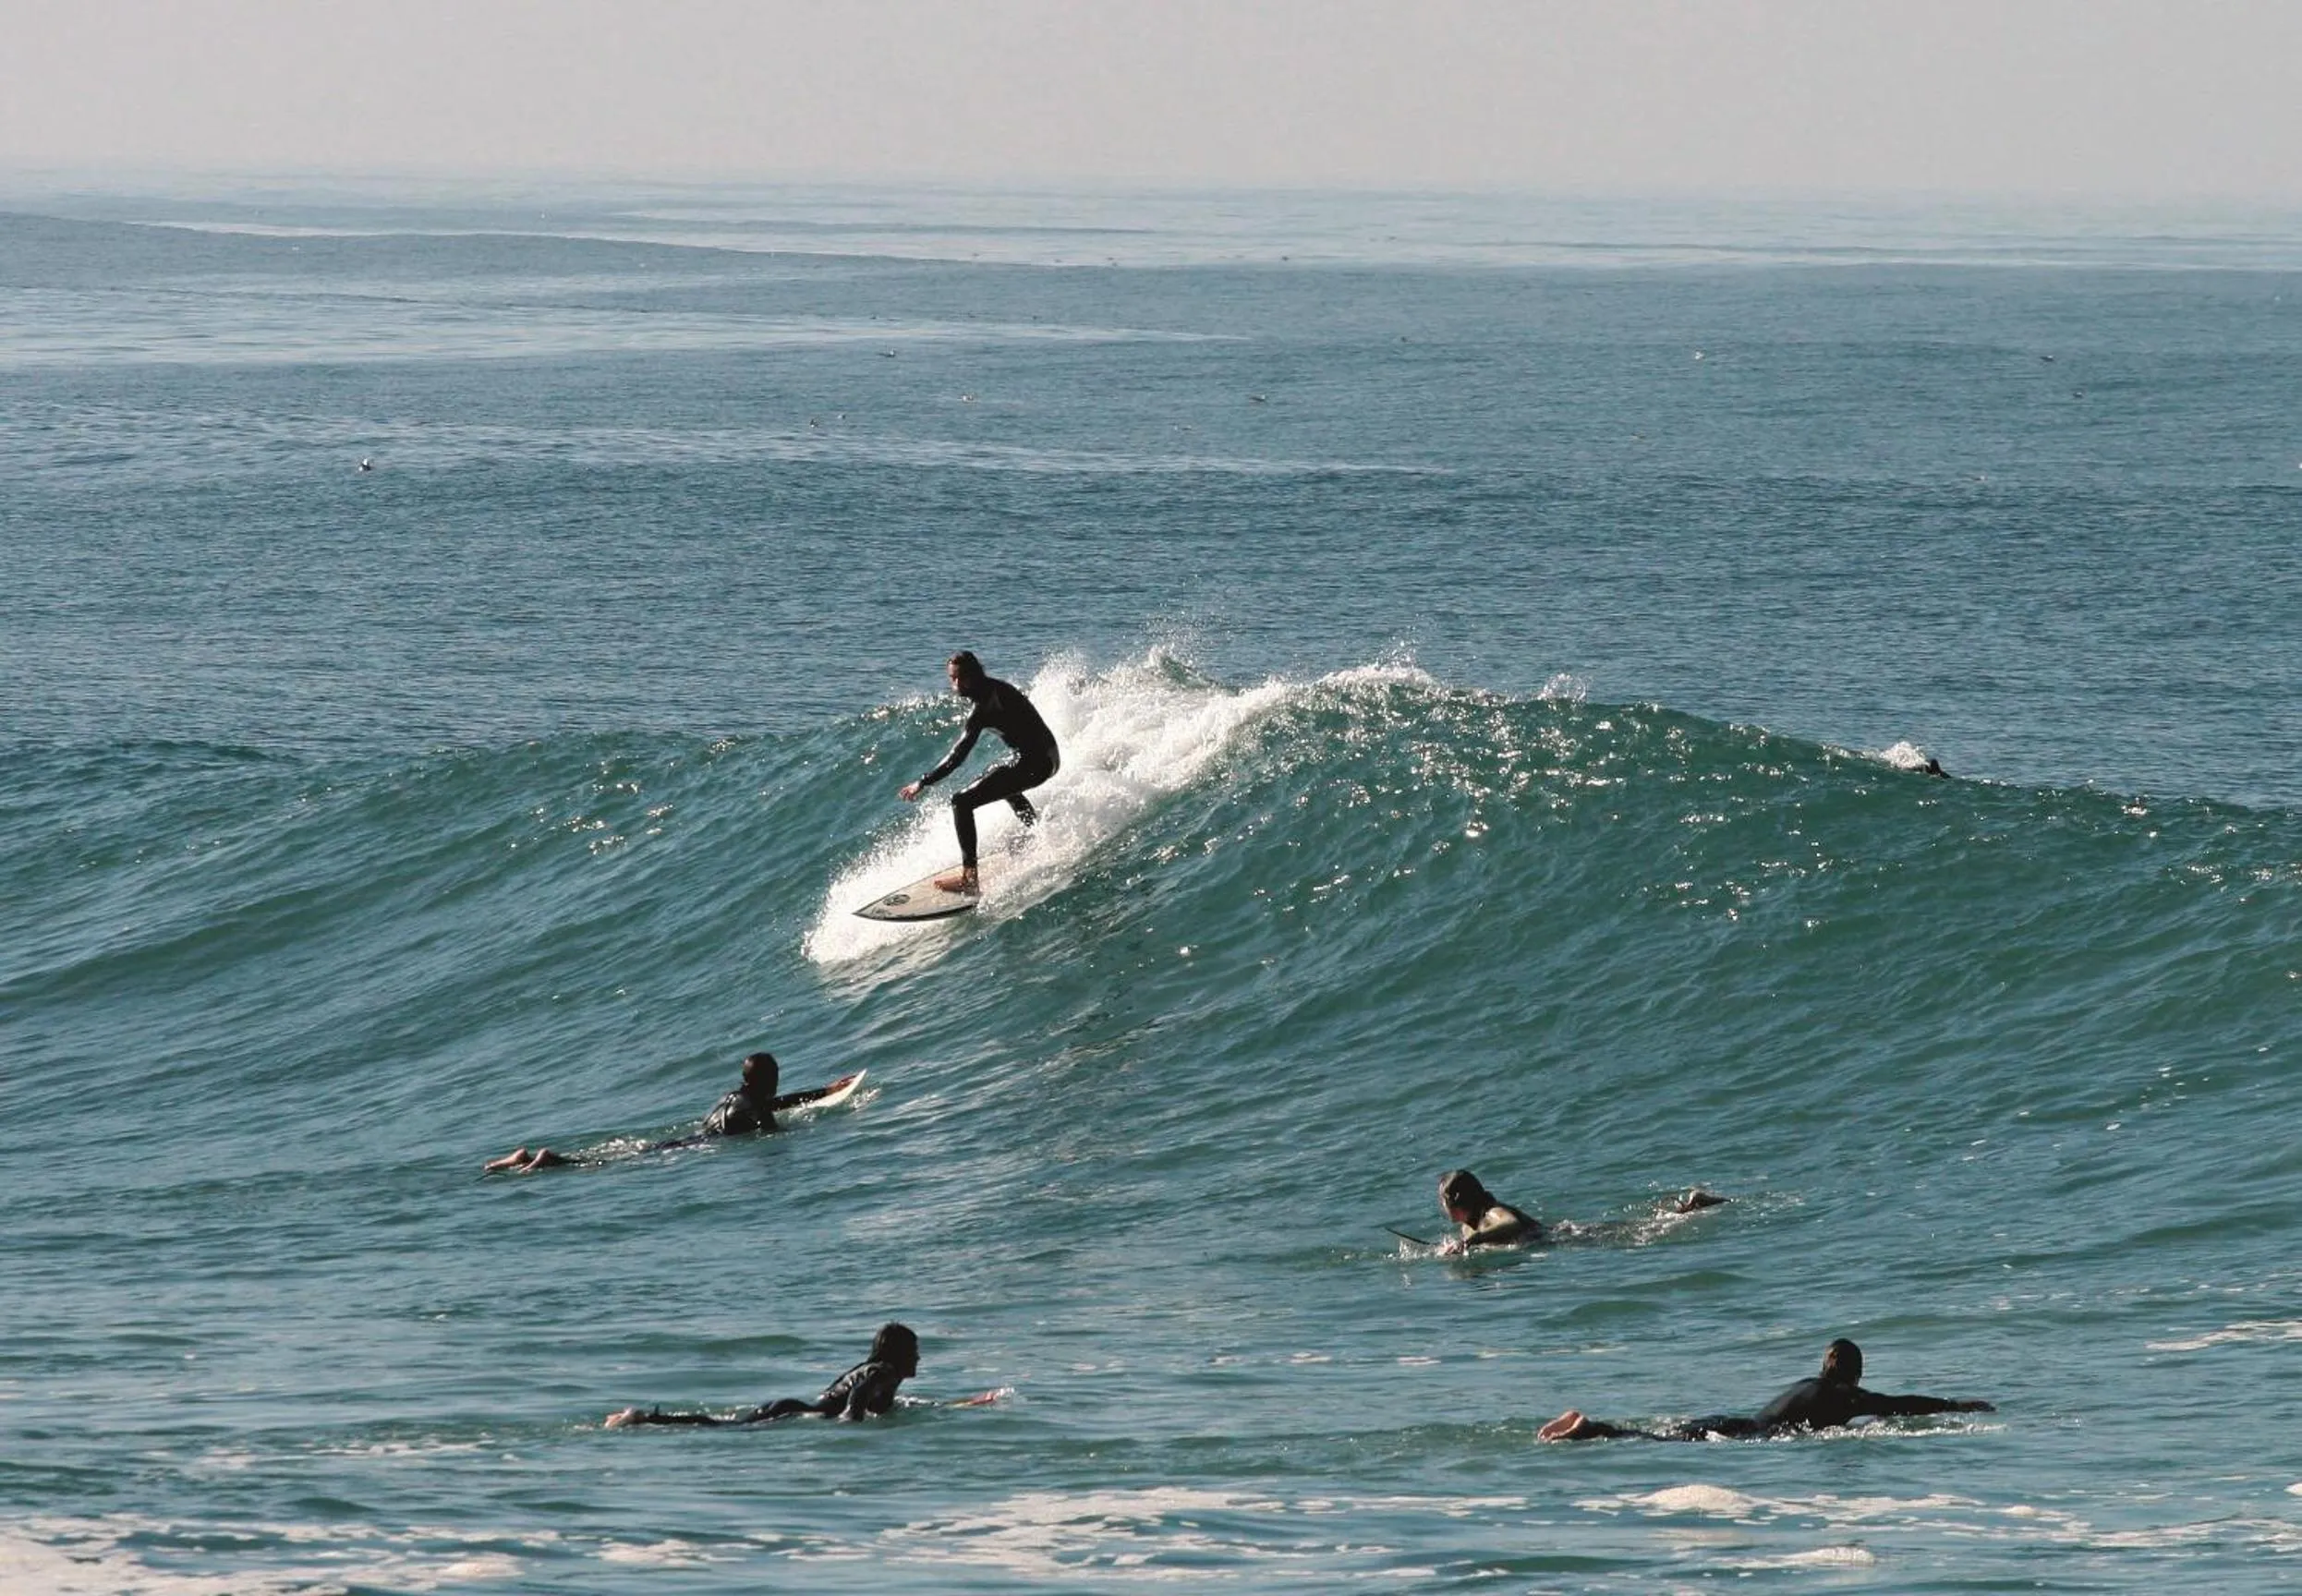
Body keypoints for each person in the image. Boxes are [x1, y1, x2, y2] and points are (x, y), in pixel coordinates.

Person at [1536, 1337, 1993, 1442]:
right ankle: (1589, 1429)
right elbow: (1899, 1405)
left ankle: (1592, 1427)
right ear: (1855, 1375)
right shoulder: (1846, 1397)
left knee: (1661, 1436)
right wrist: (1955, 1405)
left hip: (1732, 1420)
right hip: (1745, 1435)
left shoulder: (1805, 1385)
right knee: (1659, 1442)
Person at [898, 650, 1060, 896]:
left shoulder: (984, 706)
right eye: (952, 678)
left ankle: (969, 879)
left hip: (1038, 763)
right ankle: (1037, 833)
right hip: (1047, 757)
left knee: (961, 802)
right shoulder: (995, 689)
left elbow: (958, 756)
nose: (956, 684)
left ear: (974, 675)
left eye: (961, 678)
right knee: (999, 778)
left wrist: (923, 782)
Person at [484, 1051, 781, 1173]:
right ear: (767, 1080)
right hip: (691, 1146)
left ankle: (523, 1158)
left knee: (614, 1156)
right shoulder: (755, 1103)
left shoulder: (730, 1096)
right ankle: (550, 1159)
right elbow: (771, 1131)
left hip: (687, 1139)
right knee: (607, 1163)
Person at [605, 1324, 921, 1427]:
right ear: (899, 1353)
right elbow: (859, 1394)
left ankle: (646, 1419)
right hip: (794, 1413)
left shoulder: (874, 1369)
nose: (918, 1357)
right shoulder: (885, 1371)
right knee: (723, 1428)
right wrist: (850, 1423)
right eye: (914, 1350)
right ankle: (643, 1419)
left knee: (724, 1425)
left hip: (792, 1407)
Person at [1435, 1169, 1726, 1252]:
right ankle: (1688, 1208)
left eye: (1443, 1201)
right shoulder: (1469, 1225)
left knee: (1642, 1230)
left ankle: (1694, 1207)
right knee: (1642, 1227)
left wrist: (1475, 1241)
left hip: (1566, 1237)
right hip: (1558, 1238)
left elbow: (1511, 1224)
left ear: (1456, 1202)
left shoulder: (1492, 1213)